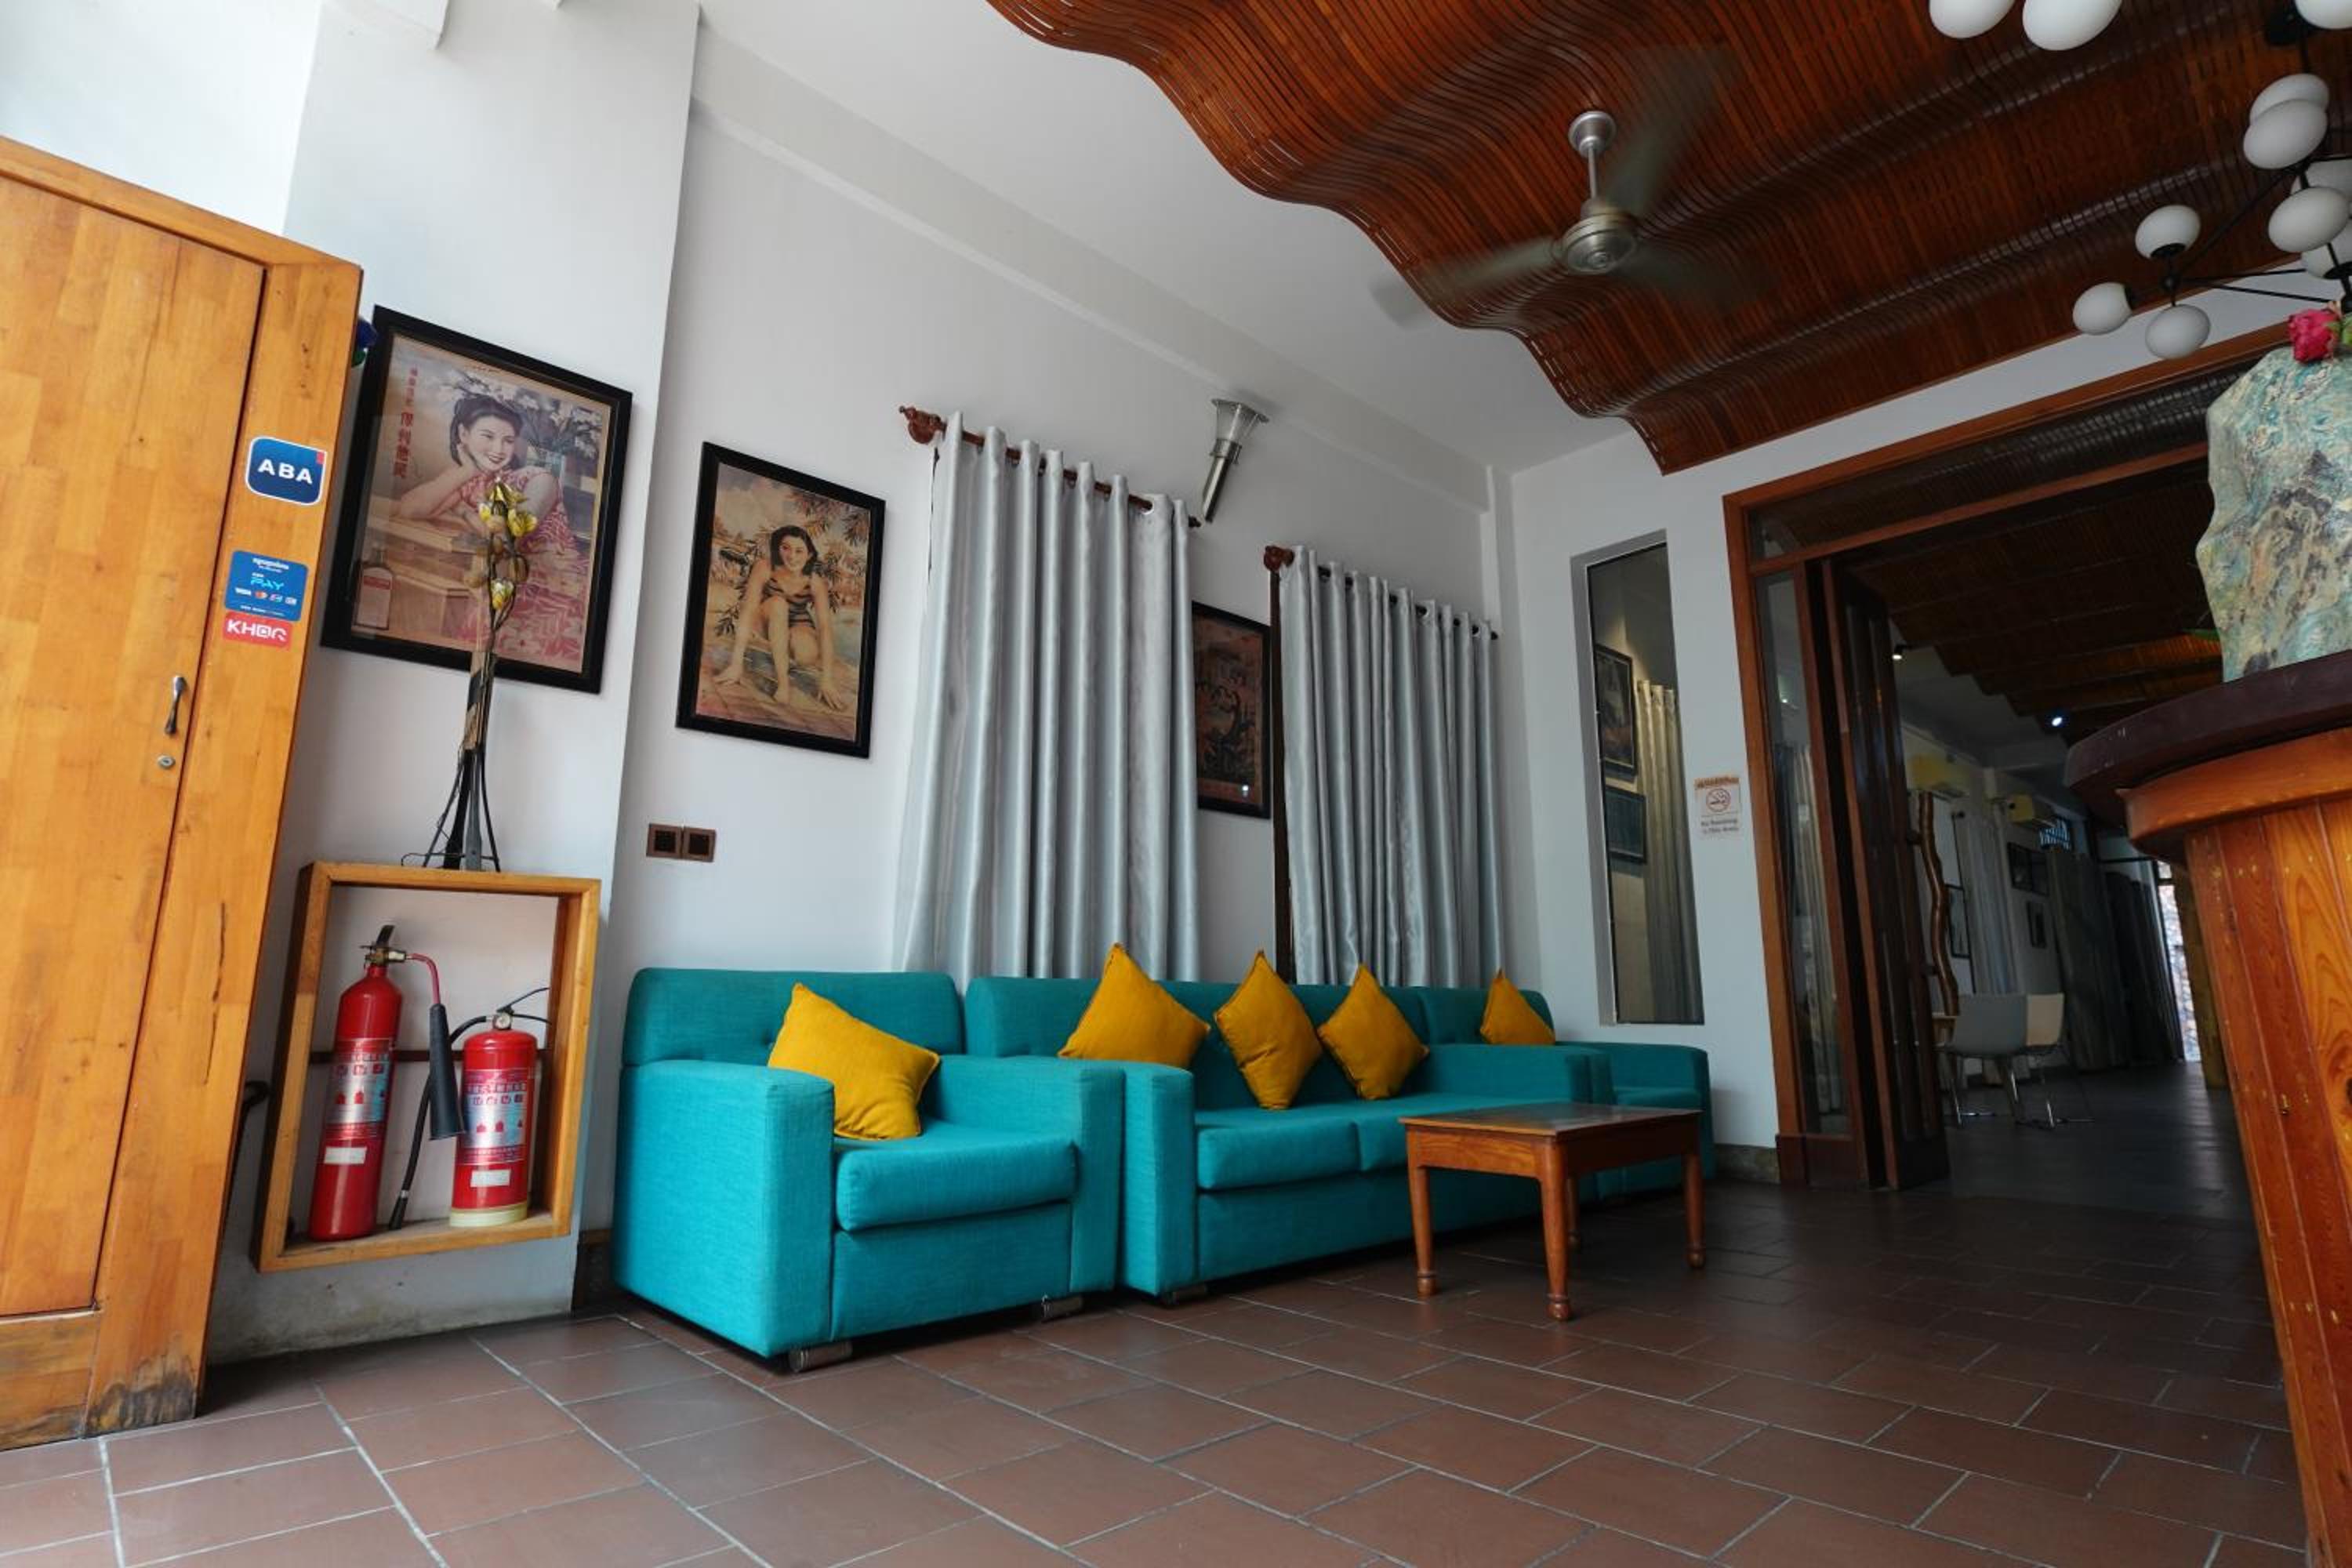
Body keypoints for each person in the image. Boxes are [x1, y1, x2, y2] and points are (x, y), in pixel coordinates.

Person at [392, 392, 586, 662]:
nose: (499, 449)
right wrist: (466, 471)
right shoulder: (472, 482)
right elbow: (410, 509)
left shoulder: (539, 479)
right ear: (464, 434)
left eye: (508, 440)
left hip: (556, 596)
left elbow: (510, 538)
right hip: (502, 595)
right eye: (488, 436)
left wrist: (466, 513)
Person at [717, 523, 849, 711]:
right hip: (766, 617)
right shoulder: (765, 567)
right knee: (779, 604)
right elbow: (748, 610)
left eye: (799, 551)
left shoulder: (815, 582)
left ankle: (781, 645)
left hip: (797, 622)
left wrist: (827, 680)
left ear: (809, 555)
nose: (791, 556)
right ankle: (783, 683)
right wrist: (736, 665)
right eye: (785, 548)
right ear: (778, 548)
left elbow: (825, 629)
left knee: (805, 654)